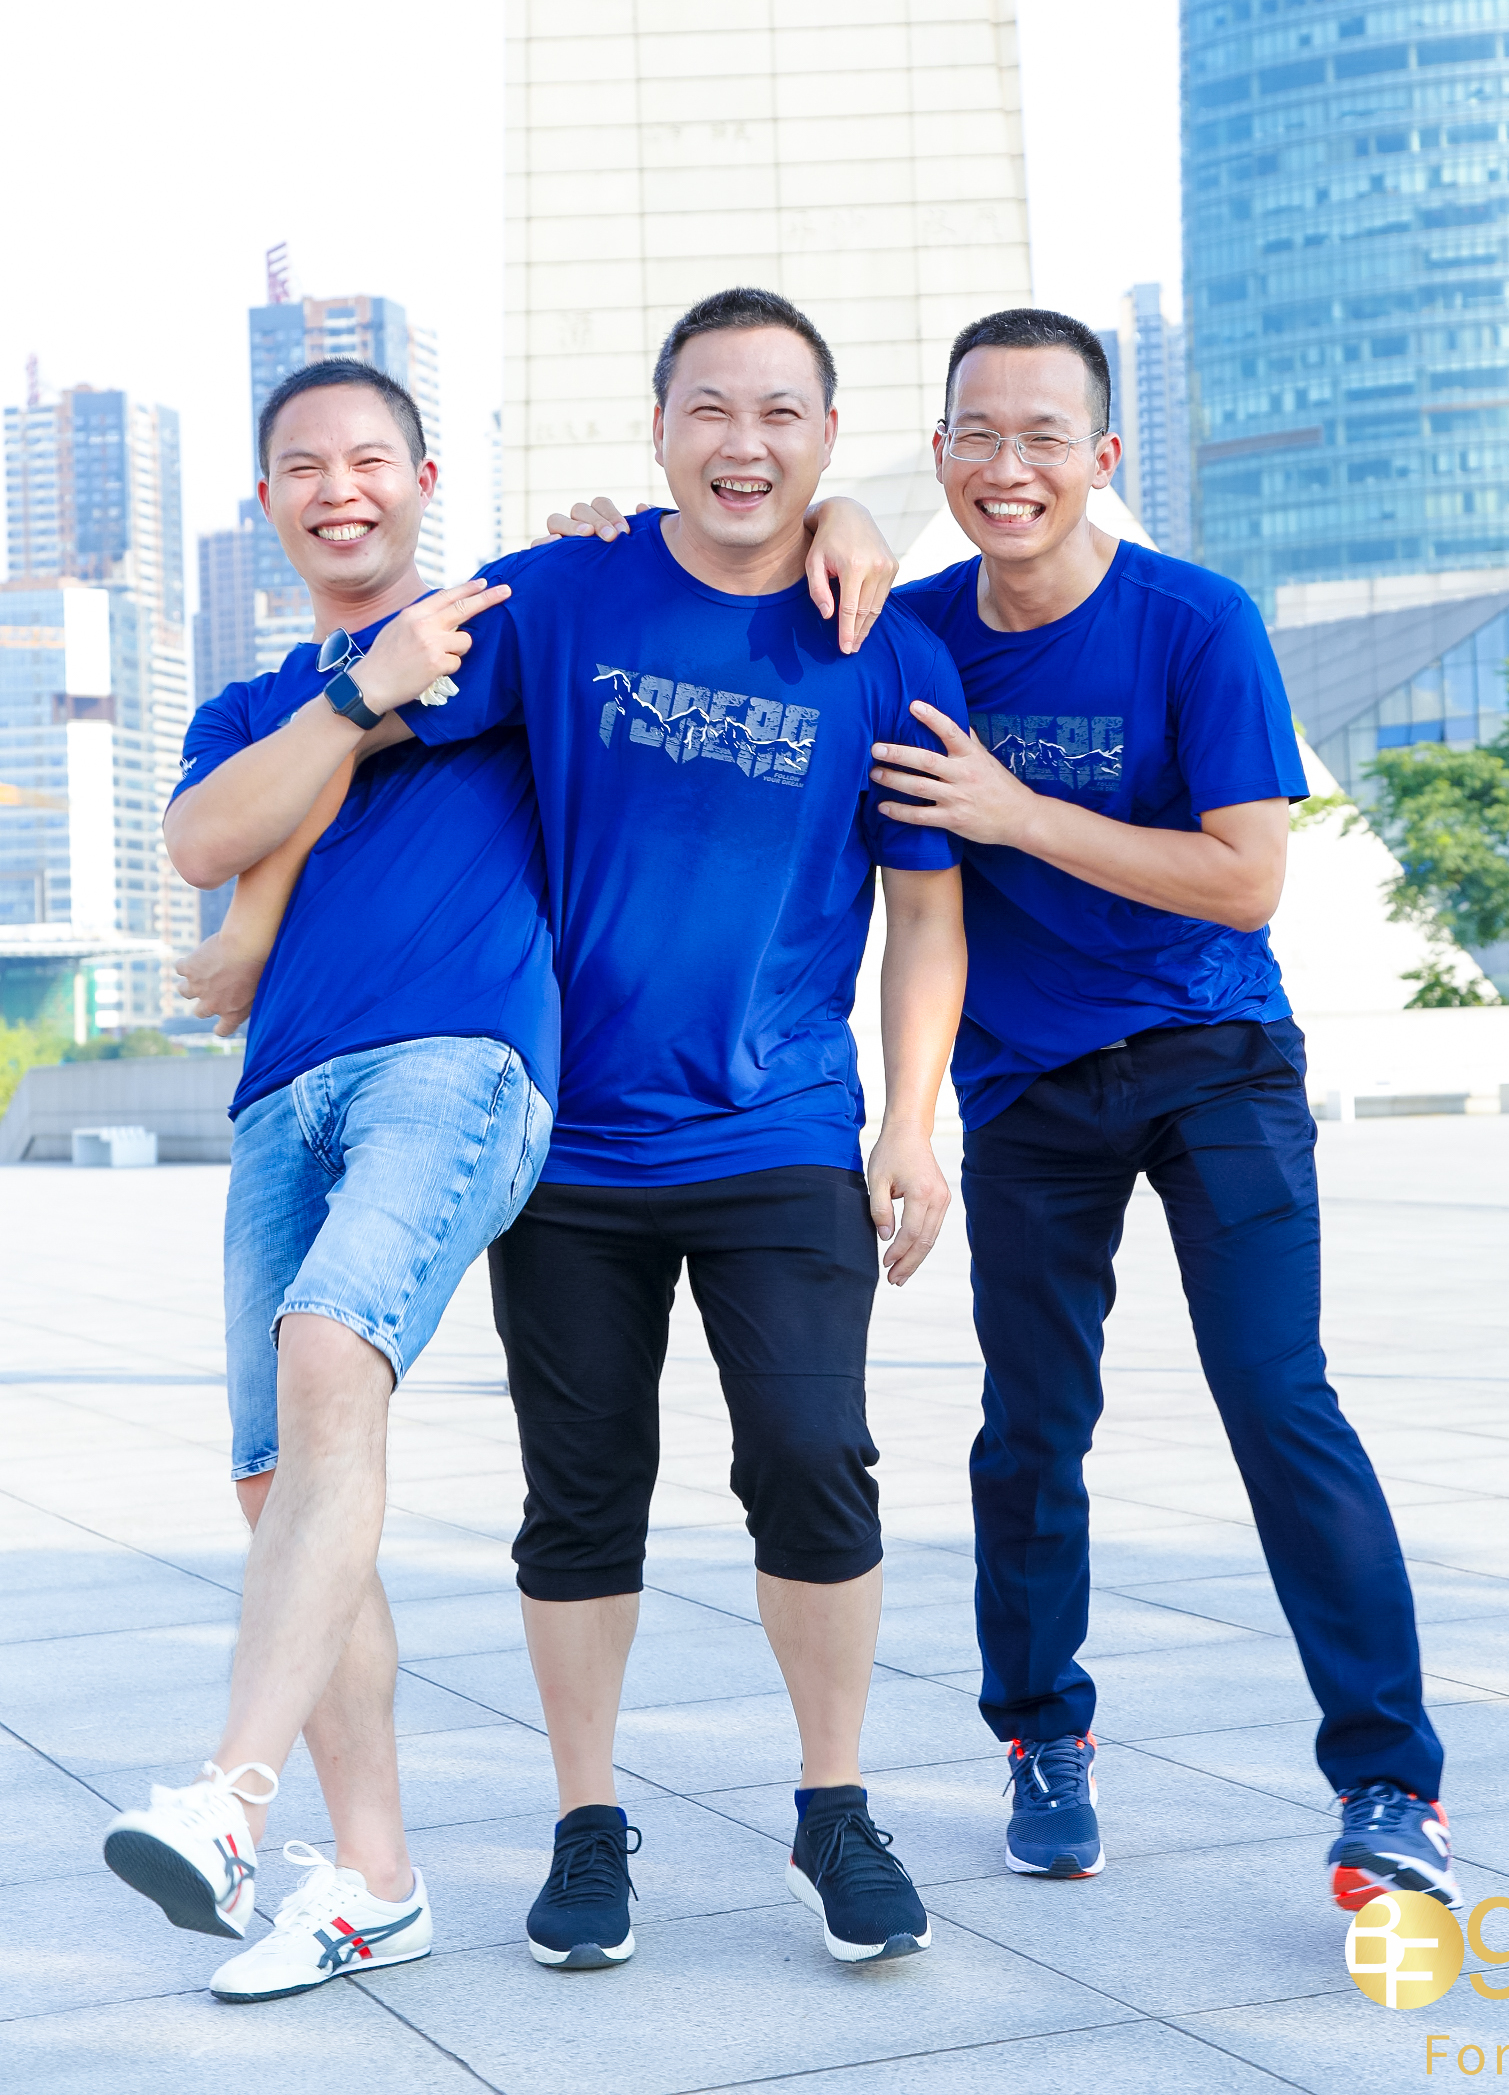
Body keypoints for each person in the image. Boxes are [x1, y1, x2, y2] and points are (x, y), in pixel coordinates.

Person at [561, 306, 1459, 1917]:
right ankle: (1043, 1738)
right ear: (934, 452)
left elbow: (1246, 878)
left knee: (1277, 1397)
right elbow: (754, 552)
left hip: (1212, 1056)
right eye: (975, 435)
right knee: (1031, 1425)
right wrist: (781, 516)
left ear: (1101, 457)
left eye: (1043, 437)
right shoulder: (900, 628)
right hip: (1027, 1086)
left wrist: (1015, 809)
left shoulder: (1193, 621)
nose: (1007, 466)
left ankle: (1387, 1780)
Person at [394, 286, 968, 1971]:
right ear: (655, 430)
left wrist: (911, 1123)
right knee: (580, 1494)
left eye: (781, 413)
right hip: (567, 1147)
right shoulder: (562, 595)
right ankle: (588, 1824)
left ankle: (833, 1804)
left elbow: (927, 914)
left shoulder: (884, 647)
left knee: (812, 1457)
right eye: (709, 408)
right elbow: (377, 713)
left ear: (827, 437)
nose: (744, 443)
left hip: (778, 1128)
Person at [101, 359, 559, 2003]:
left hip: (457, 1061)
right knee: (273, 1479)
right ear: (265, 499)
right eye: (304, 465)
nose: (339, 488)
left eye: (372, 459)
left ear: (426, 478)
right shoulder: (248, 708)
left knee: (325, 1350)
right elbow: (202, 839)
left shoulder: (498, 628)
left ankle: (230, 1802)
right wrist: (360, 692)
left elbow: (681, 566)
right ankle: (375, 1883)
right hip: (280, 1098)